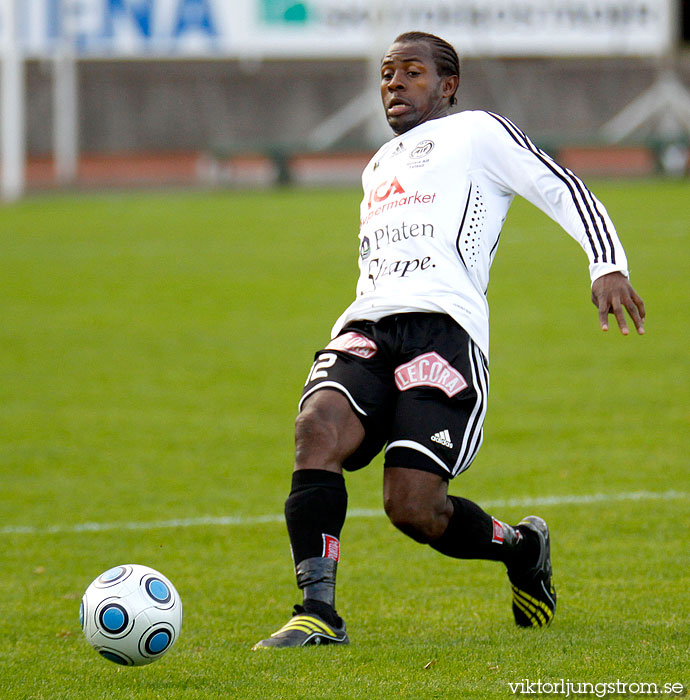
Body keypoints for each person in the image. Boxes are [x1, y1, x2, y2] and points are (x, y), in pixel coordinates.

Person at [252, 31, 646, 649]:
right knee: (316, 429)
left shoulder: (479, 132)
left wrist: (607, 265)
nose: (395, 84)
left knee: (413, 506)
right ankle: (317, 611)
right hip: (368, 324)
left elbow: (561, 185)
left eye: (412, 72)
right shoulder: (377, 165)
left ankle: (521, 547)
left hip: (445, 331)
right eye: (387, 75)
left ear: (448, 85)